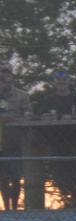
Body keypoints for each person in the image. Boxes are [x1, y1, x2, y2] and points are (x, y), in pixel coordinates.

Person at [38, 70, 76, 208]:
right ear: (54, 83)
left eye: (64, 82)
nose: (62, 85)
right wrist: (47, 117)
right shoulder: (49, 99)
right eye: (59, 82)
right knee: (59, 177)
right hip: (56, 142)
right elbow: (42, 115)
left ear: (69, 83)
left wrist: (71, 117)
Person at [0, 66, 34, 211]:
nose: (4, 81)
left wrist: (12, 119)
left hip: (16, 141)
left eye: (6, 77)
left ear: (12, 78)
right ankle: (6, 208)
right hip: (0, 142)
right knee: (2, 178)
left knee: (15, 177)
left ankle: (15, 208)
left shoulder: (22, 95)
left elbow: (29, 114)